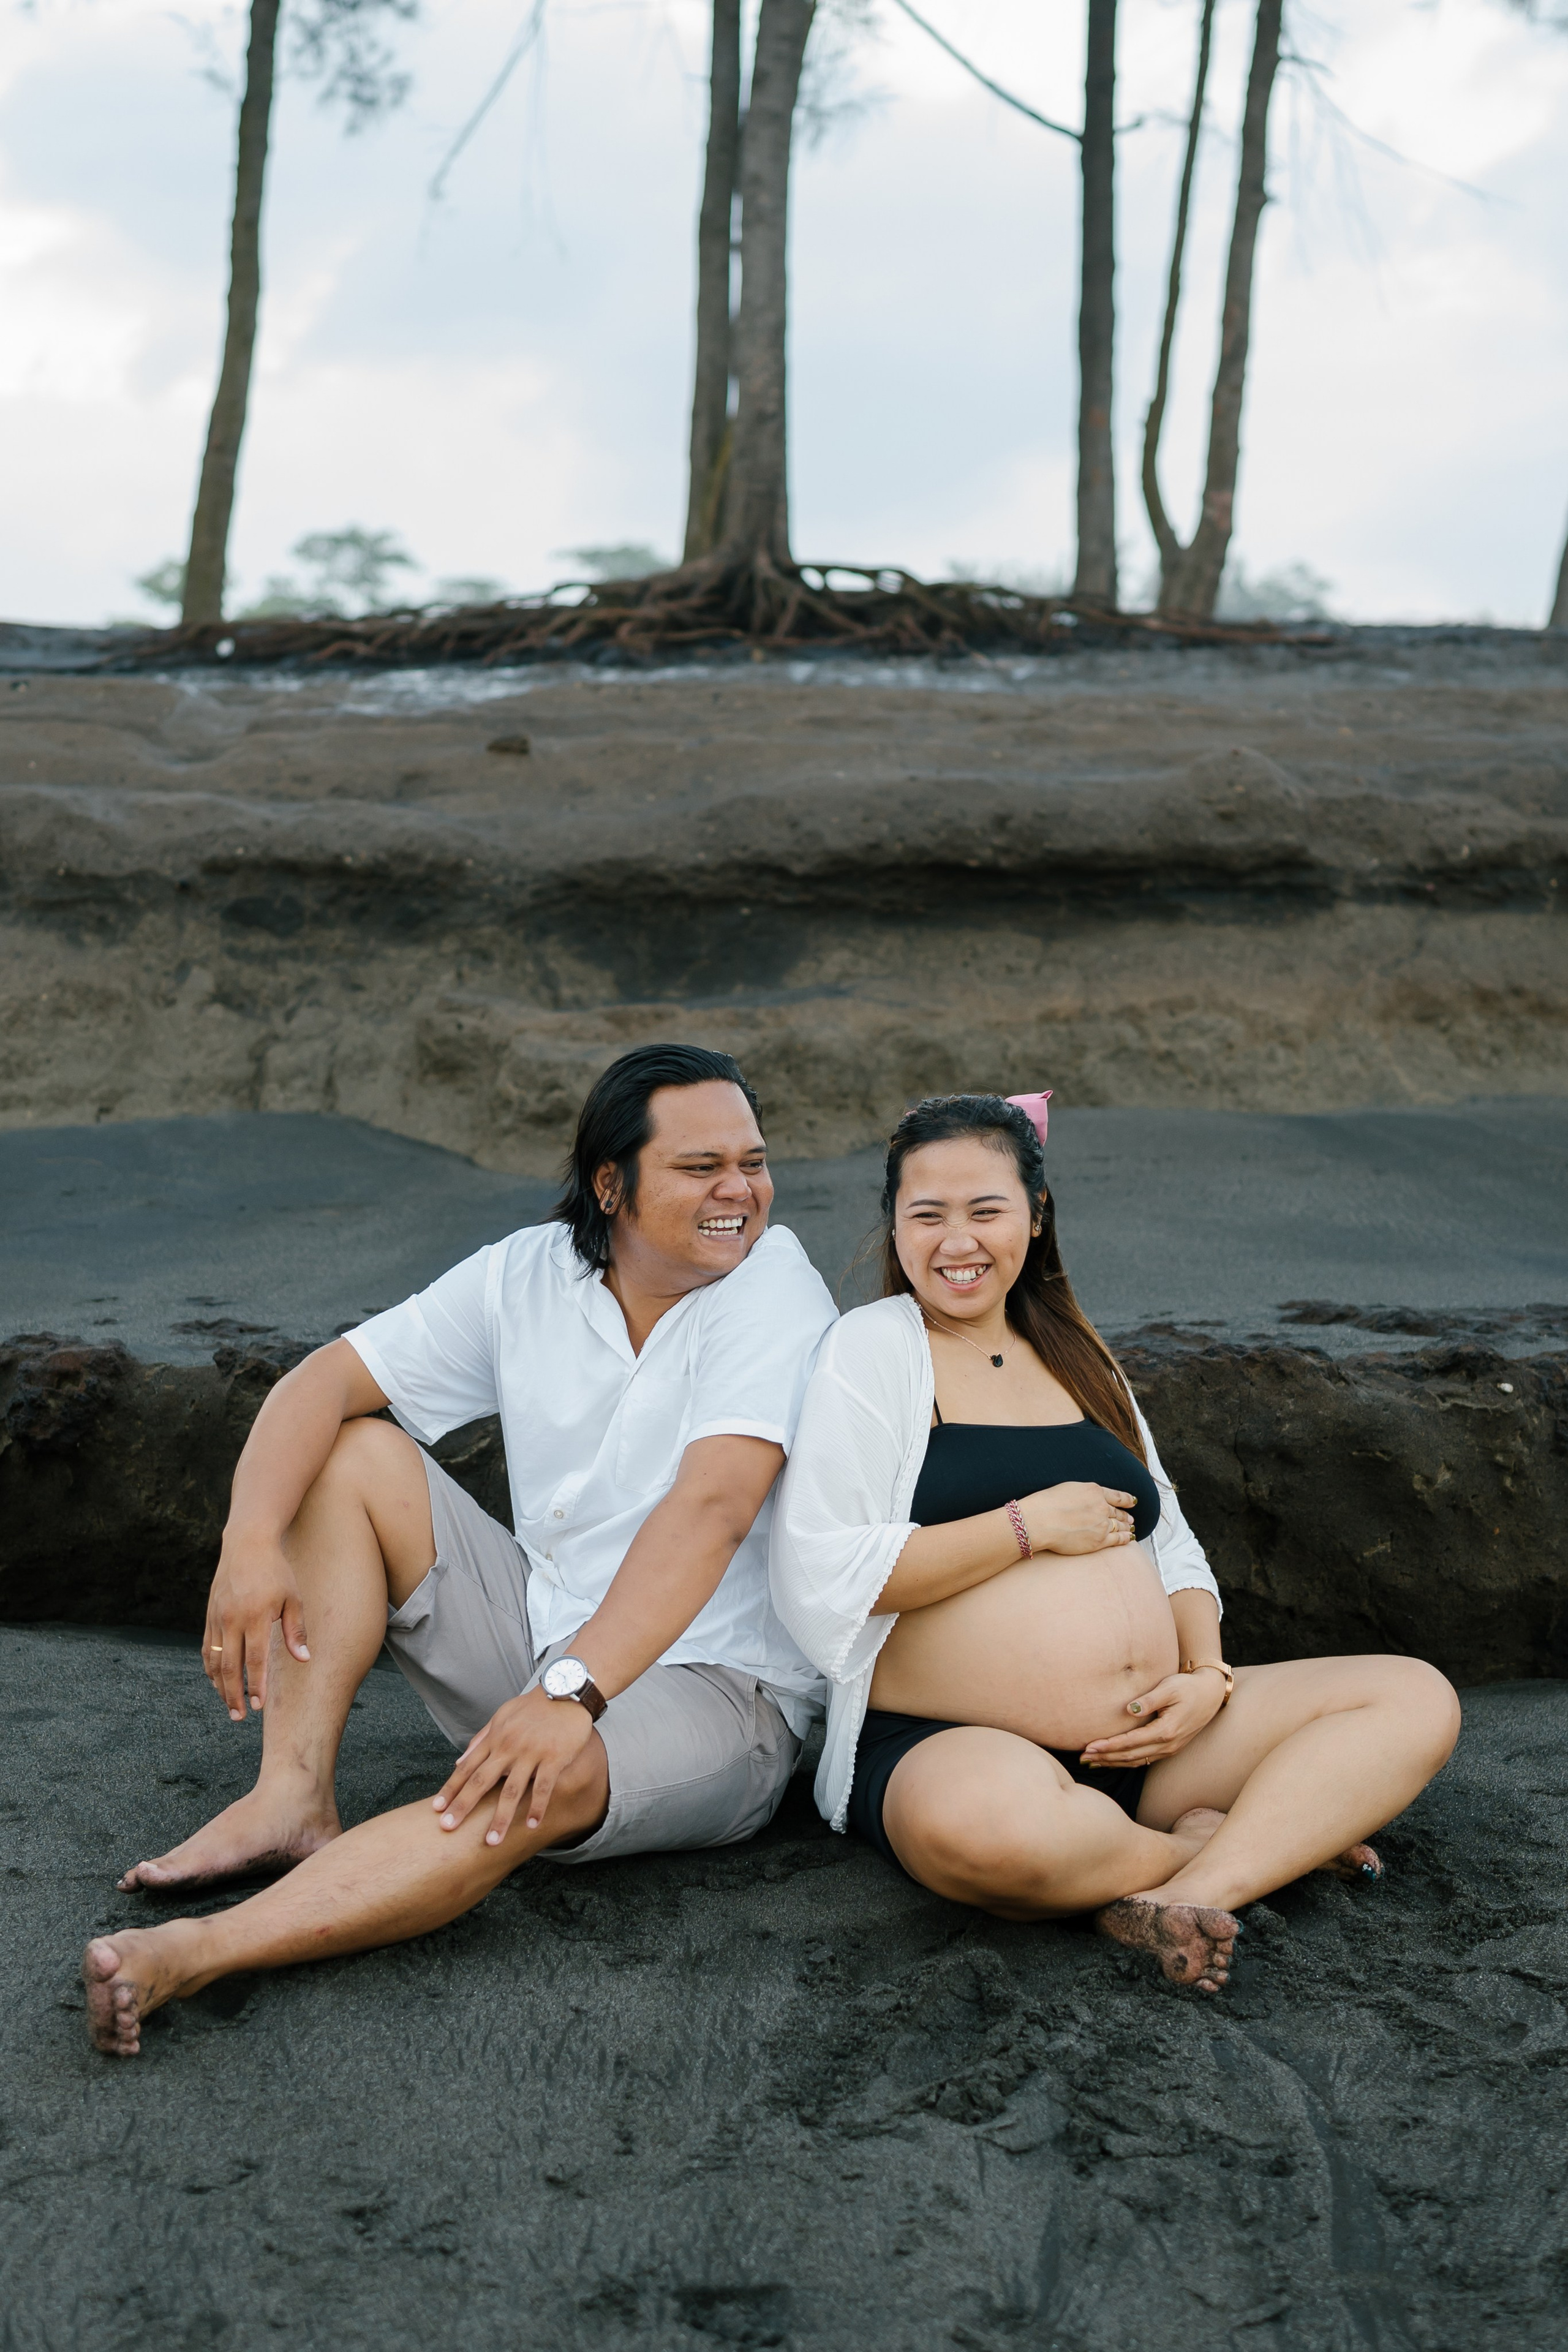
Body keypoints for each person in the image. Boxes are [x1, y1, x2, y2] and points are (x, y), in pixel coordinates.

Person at [83, 1044, 837, 2056]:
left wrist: (568, 1695)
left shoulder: (773, 1289)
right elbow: (324, 1380)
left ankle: (202, 1949)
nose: (739, 1191)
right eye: (701, 1168)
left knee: (533, 1785)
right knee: (351, 1451)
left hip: (722, 1688)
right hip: (543, 1629)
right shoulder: (531, 1272)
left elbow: (713, 1510)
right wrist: (249, 1541)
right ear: (611, 1185)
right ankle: (290, 1794)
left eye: (753, 1162)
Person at [770, 1091, 1461, 1995]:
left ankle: (1182, 1892)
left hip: (1154, 1742)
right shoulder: (873, 1349)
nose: (956, 1241)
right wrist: (1025, 1528)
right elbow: (820, 1573)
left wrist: (1205, 1676)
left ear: (1036, 1215)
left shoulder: (1077, 1352)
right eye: (926, 1214)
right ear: (893, 1223)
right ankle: (1239, 1849)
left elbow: (1172, 1542)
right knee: (991, 1836)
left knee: (1412, 1698)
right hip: (957, 1747)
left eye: (986, 1211)